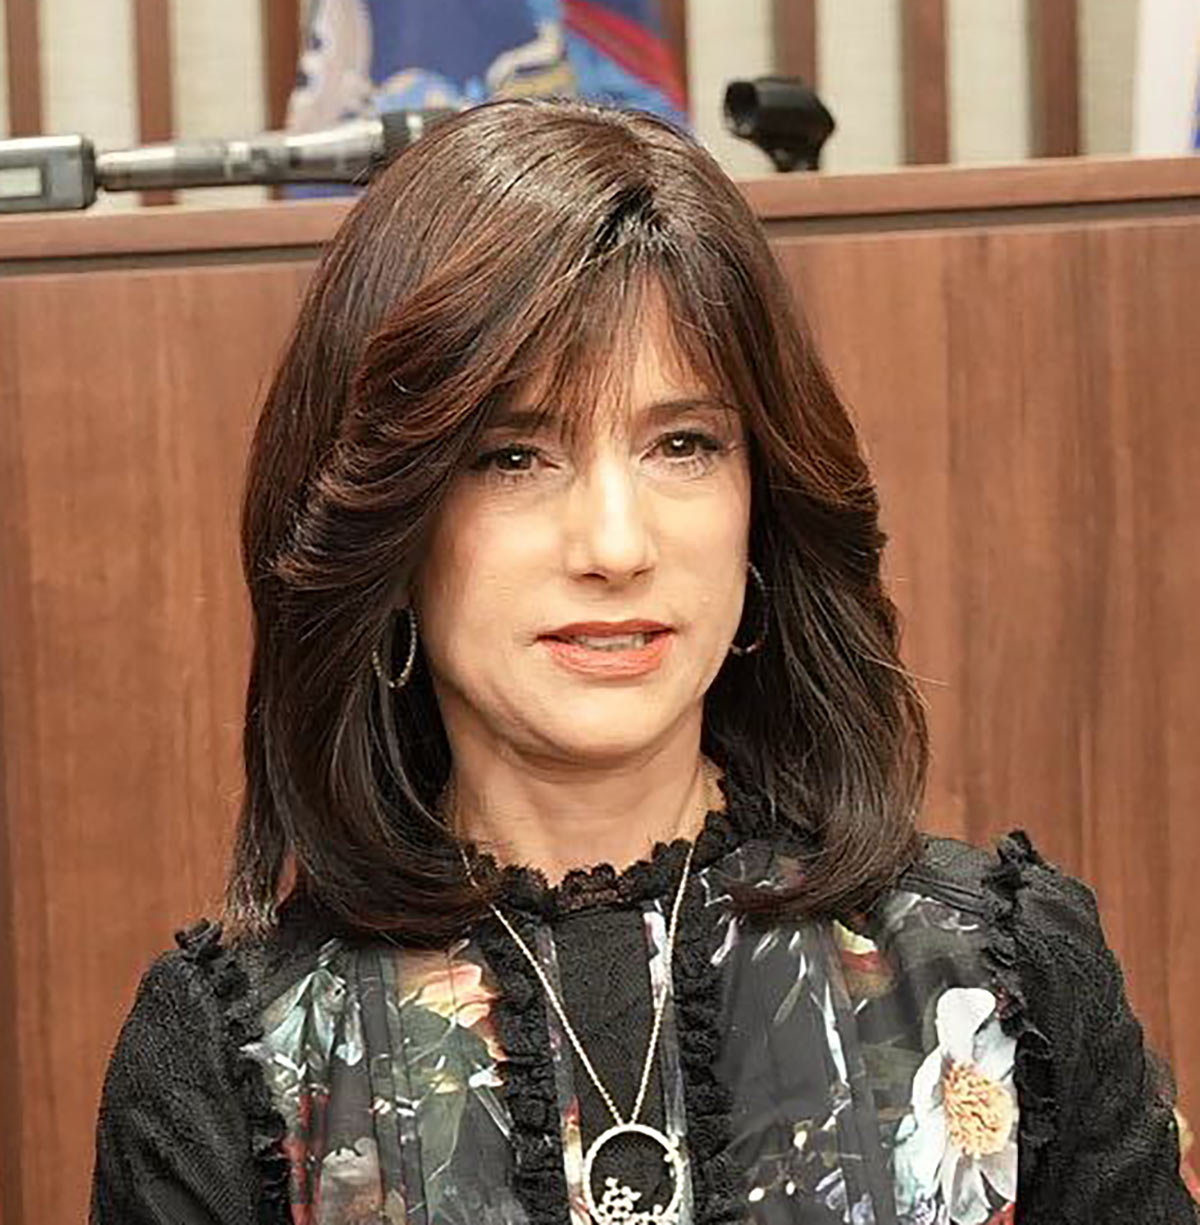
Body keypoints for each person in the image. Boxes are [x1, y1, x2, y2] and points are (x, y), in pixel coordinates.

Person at [90, 97, 1196, 1225]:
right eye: (515, 455)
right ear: (389, 523)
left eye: (683, 444)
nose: (617, 546)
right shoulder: (236, 1058)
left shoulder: (999, 978)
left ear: (761, 505)